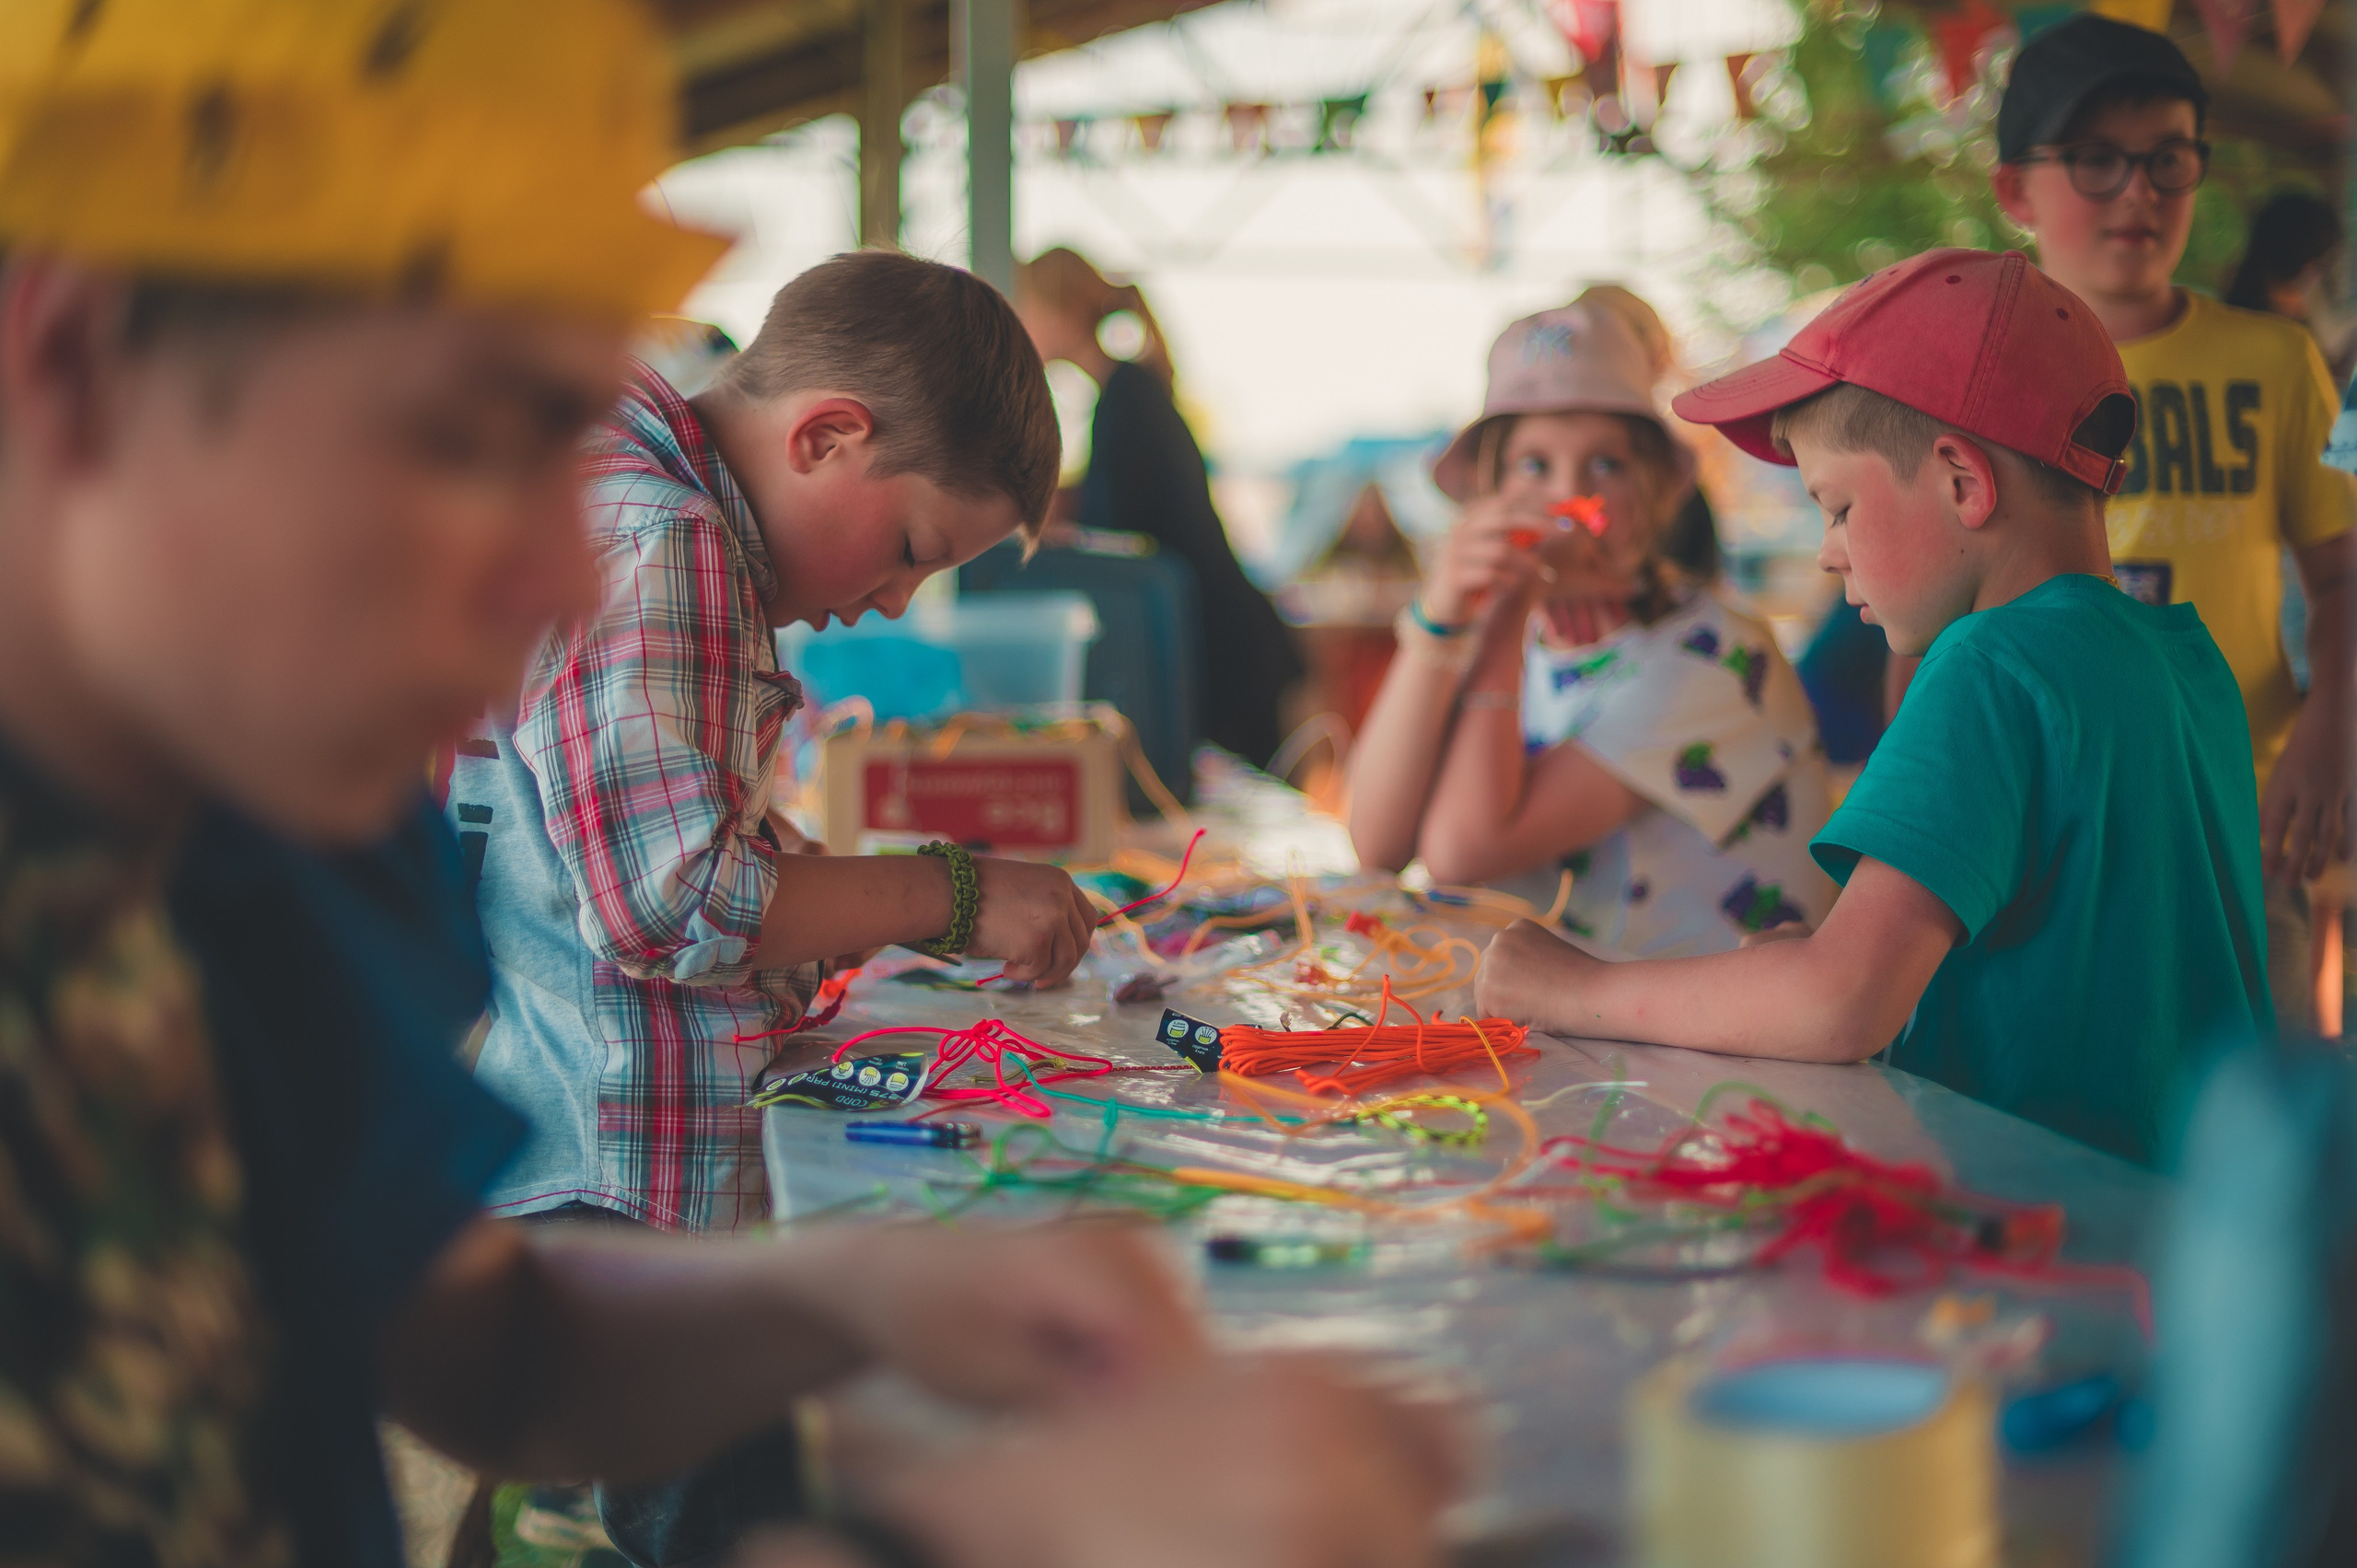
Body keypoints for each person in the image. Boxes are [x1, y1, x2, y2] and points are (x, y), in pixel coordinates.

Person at [0, 6, 1458, 1568]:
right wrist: (963, 1537)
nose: (563, 565)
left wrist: (849, 1291)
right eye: (457, 438)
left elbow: (499, 1347)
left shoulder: (262, 870)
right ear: (79, 357)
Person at [1475, 248, 2273, 1169]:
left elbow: (1839, 1000)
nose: (1826, 552)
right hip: (2194, 1220)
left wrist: (1573, 987)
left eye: (1838, 507)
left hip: (2047, 1230)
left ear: (1963, 482)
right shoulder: (2184, 658)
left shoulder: (1990, 664)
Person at [453, 250, 1099, 1240]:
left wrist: (788, 860)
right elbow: (673, 902)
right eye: (913, 552)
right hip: (632, 1186)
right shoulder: (668, 538)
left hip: (583, 1153)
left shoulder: (613, 494)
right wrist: (953, 892)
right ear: (827, 435)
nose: (893, 600)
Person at [1989, 15, 2355, 1037]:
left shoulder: (2276, 359)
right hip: (2046, 810)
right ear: (2015, 189)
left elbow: (2341, 578)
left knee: (2256, 1134)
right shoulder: (1982, 373)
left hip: (2241, 811)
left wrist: (2329, 729)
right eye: (2096, 160)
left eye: (2168, 159)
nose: (2139, 191)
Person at [1346, 299, 1837, 958]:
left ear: (1658, 489)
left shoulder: (1716, 654)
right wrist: (1438, 619)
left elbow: (1463, 851)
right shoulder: (1515, 637)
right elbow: (1375, 844)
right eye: (1534, 465)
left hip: (1706, 1043)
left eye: (1606, 464)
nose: (1572, 499)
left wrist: (1502, 614)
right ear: (1488, 490)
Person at [1015, 248, 1306, 768]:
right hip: (1228, 644)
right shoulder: (1129, 391)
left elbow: (1121, 537)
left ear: (1057, 311)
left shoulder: (1127, 401)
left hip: (1224, 657)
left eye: (1025, 310)